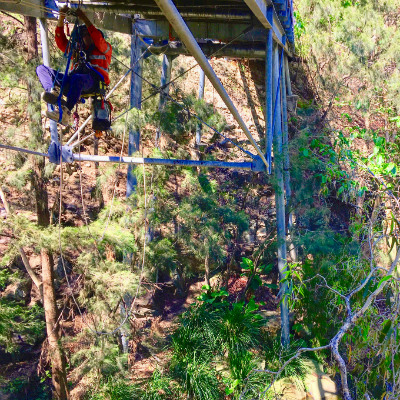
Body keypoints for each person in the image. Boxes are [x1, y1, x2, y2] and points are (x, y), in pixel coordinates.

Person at [36, 7, 112, 126]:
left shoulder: (104, 49)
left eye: (88, 34)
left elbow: (97, 39)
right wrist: (61, 18)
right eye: (83, 35)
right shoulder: (78, 51)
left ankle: (66, 111)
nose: (85, 37)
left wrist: (84, 18)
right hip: (74, 81)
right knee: (41, 69)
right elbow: (61, 41)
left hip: (94, 82)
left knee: (78, 78)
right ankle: (52, 93)